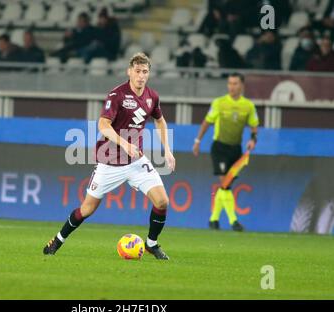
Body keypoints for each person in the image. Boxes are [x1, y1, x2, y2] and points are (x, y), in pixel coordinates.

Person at [43, 53, 176, 260]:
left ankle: (151, 244)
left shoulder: (152, 96)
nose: (141, 76)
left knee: (162, 201)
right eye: (138, 71)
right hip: (110, 162)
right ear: (129, 72)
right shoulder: (117, 95)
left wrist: (167, 150)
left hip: (136, 161)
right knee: (87, 209)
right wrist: (124, 143)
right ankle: (58, 240)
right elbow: (103, 125)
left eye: (145, 72)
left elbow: (160, 121)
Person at [192, 73, 259, 231]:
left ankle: (213, 219)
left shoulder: (248, 106)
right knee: (225, 183)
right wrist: (197, 141)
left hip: (236, 149)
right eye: (229, 83)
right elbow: (207, 122)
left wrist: (253, 139)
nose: (231, 86)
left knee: (225, 185)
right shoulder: (219, 103)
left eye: (235, 83)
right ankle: (233, 221)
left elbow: (254, 126)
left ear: (241, 85)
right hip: (220, 148)